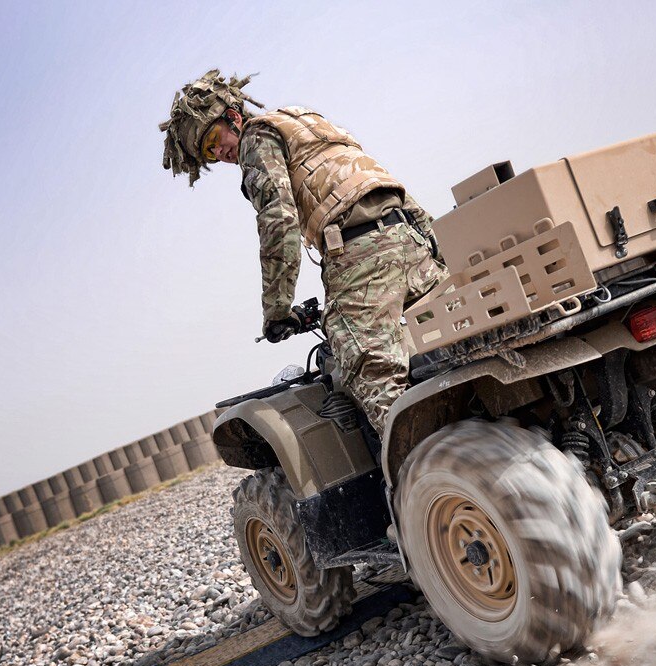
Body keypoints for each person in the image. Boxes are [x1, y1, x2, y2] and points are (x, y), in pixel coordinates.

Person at [159, 71, 445, 433]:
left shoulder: (254, 139)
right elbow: (381, 180)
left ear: (233, 116)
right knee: (446, 346)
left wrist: (277, 311)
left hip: (361, 256)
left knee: (371, 374)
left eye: (215, 139)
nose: (220, 153)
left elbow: (278, 220)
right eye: (208, 153)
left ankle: (424, 458)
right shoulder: (304, 122)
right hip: (410, 241)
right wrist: (437, 250)